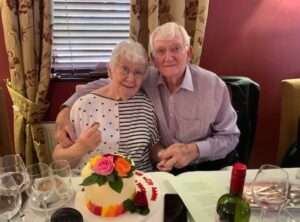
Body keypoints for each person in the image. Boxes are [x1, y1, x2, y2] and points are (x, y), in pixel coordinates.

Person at [55, 22, 240, 175]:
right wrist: (65, 110)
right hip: (165, 168)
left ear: (189, 53)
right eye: (161, 51)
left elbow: (231, 137)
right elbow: (107, 84)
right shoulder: (145, 77)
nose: (168, 58)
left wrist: (195, 150)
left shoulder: (213, 86)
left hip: (207, 166)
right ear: (154, 58)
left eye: (176, 48)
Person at [52, 40, 160, 173]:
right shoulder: (84, 106)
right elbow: (58, 160)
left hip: (140, 182)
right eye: (125, 69)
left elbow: (154, 147)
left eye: (138, 72)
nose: (131, 79)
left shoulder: (146, 106)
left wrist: (164, 155)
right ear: (110, 70)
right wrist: (81, 147)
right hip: (96, 184)